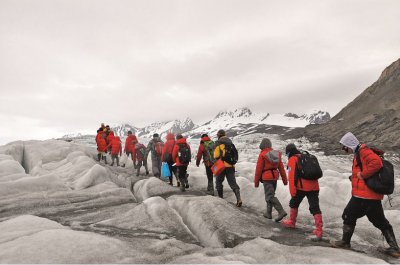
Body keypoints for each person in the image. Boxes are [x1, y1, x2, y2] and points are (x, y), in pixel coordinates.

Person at [330, 132, 400, 257]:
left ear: (349, 144)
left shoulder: (363, 151)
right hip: (371, 196)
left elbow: (376, 163)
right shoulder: (359, 152)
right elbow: (365, 168)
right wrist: (354, 177)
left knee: (348, 215)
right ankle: (394, 248)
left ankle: (345, 242)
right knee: (380, 222)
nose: (343, 149)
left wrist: (362, 175)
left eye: (344, 146)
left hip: (364, 196)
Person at [281, 143, 323, 240]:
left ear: (289, 152)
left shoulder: (293, 159)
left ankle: (292, 222)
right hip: (314, 186)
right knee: (315, 207)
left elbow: (292, 178)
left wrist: (293, 193)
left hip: (302, 187)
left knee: (293, 203)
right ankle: (319, 230)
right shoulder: (305, 157)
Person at [254, 138, 288, 222]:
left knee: (269, 196)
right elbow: (281, 168)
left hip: (267, 177)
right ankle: (268, 213)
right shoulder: (276, 154)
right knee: (270, 195)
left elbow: (258, 169)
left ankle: (281, 211)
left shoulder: (262, 154)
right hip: (274, 177)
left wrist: (256, 182)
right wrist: (284, 180)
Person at [213, 129, 242, 207]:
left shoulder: (219, 144)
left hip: (221, 166)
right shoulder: (231, 143)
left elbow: (215, 155)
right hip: (231, 167)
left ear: (219, 135)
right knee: (232, 183)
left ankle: (221, 199)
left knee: (219, 182)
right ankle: (239, 199)